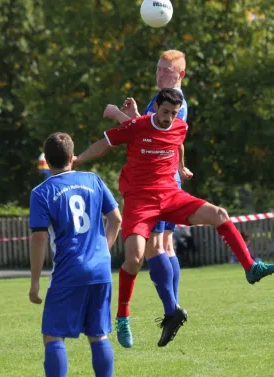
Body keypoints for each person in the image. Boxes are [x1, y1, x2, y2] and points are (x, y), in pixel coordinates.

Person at [74, 88, 274, 348]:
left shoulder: (179, 126)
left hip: (171, 195)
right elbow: (105, 143)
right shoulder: (137, 126)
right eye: (165, 112)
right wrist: (78, 159)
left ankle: (251, 268)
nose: (169, 118)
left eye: (174, 113)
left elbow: (178, 142)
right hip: (140, 200)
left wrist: (180, 167)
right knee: (134, 258)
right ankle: (122, 317)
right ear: (155, 108)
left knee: (219, 214)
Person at [29, 133, 122, 377]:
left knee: (53, 336)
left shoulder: (42, 192)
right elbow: (116, 220)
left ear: (46, 161)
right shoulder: (93, 180)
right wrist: (103, 252)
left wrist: (35, 283)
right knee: (98, 334)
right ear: (72, 158)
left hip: (69, 271)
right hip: (101, 270)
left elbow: (39, 238)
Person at [113, 49, 191, 348]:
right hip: (167, 180)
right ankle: (173, 307)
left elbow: (146, 136)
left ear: (180, 75)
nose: (159, 74)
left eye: (166, 70)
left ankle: (172, 310)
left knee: (152, 248)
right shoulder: (165, 98)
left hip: (157, 184)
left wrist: (117, 116)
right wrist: (134, 115)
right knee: (166, 246)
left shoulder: (176, 103)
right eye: (158, 68)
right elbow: (147, 127)